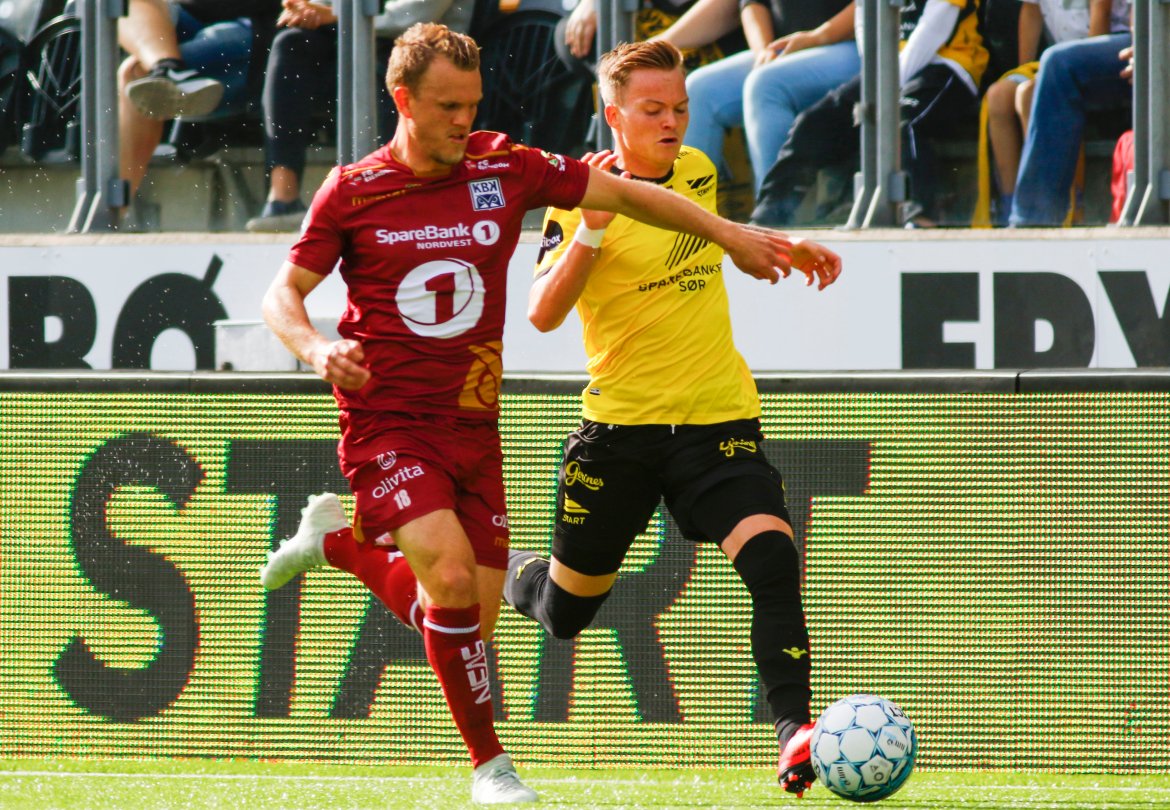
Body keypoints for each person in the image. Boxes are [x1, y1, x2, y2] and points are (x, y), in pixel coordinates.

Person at [258, 22, 810, 804]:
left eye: (472, 104)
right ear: (401, 99)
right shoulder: (352, 191)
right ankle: (492, 768)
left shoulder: (505, 166)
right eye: (447, 107)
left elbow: (629, 194)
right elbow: (281, 294)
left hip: (473, 425)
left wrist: (734, 236)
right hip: (388, 419)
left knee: (469, 621)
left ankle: (339, 546)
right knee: (451, 580)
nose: (464, 120)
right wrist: (316, 350)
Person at [504, 40, 840, 796]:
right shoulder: (577, 196)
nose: (672, 122)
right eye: (653, 109)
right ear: (613, 116)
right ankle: (502, 569)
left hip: (717, 424)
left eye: (681, 108)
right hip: (620, 436)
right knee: (565, 614)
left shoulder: (698, 171)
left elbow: (716, 239)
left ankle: (794, 733)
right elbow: (543, 313)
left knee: (773, 561)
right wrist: (591, 229)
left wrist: (782, 248)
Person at [751, 0, 989, 227]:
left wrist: (889, 80)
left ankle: (920, 217)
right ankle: (770, 215)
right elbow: (864, 18)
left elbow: (935, 28)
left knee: (904, 121)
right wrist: (878, 72)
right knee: (814, 123)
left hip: (948, 65)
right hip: (887, 69)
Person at [245, 0, 472, 233]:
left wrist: (336, 16)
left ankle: (393, 196)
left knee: (388, 67)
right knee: (292, 44)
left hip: (427, 52)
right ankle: (284, 198)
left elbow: (411, 17)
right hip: (355, 40)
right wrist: (306, 9)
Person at [664, 0, 858, 194]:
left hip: (855, 47)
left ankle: (774, 207)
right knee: (700, 89)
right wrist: (764, 50)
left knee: (766, 84)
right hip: (788, 48)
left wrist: (818, 37)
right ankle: (687, 207)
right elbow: (753, 3)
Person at [117, 0, 278, 223]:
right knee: (123, 3)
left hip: (257, 25)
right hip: (194, 14)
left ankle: (114, 212)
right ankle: (167, 67)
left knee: (136, 75)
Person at [976, 0, 1131, 226]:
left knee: (1033, 92)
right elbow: (1031, 12)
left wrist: (1076, 66)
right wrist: (1024, 70)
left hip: (1107, 49)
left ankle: (1048, 212)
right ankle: (1010, 206)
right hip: (1059, 60)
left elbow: (1102, 15)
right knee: (999, 96)